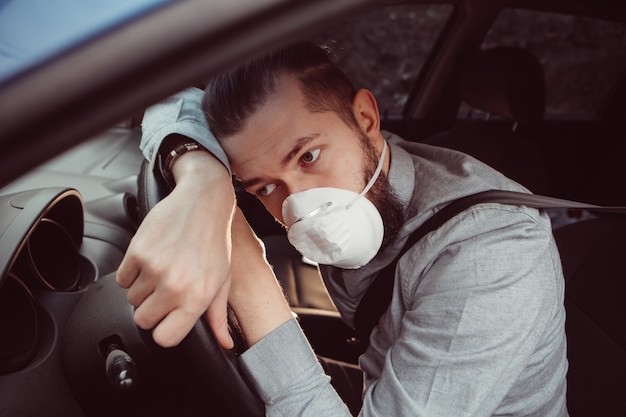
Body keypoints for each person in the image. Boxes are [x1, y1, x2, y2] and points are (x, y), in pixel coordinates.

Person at [117, 42, 569, 416]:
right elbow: (171, 99)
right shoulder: (363, 169)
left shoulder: (492, 252)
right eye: (266, 187)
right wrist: (202, 179)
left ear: (366, 121)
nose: (299, 206)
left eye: (308, 157)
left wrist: (250, 273)